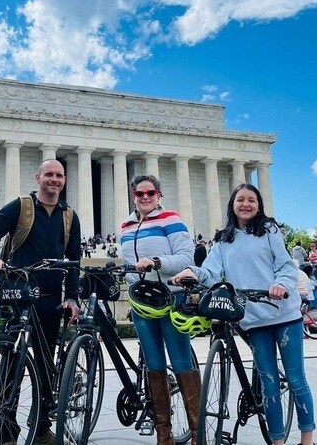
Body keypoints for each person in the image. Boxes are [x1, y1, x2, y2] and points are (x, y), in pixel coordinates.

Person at [172, 183, 316, 445]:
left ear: (259, 205)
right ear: (233, 204)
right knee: (269, 384)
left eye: (252, 199)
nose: (246, 204)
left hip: (283, 313)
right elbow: (211, 271)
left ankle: (308, 440)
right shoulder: (224, 239)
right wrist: (193, 272)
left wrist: (281, 285)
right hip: (253, 319)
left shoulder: (269, 230)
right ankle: (277, 442)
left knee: (295, 378)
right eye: (241, 199)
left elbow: (285, 265)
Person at [0, 159, 81, 445]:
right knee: (12, 363)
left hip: (51, 299)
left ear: (64, 180)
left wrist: (72, 297)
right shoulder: (20, 207)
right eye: (49, 174)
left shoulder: (70, 216)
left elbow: (73, 262)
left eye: (59, 175)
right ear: (38, 177)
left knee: (45, 367)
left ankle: (40, 428)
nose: (54, 179)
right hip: (20, 296)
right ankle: (6, 430)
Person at [120, 174, 198, 445]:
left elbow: (186, 258)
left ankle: (198, 436)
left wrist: (157, 262)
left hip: (171, 297)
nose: (145, 197)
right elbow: (130, 267)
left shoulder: (171, 220)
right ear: (133, 196)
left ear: (158, 194)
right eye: (139, 194)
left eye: (150, 193)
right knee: (153, 366)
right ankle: (163, 436)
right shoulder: (126, 226)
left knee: (181, 363)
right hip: (143, 303)